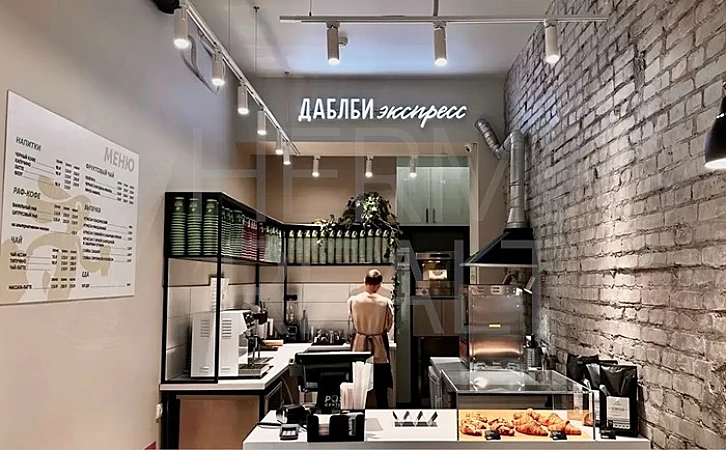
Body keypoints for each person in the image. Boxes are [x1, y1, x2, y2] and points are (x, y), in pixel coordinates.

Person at [347, 269, 394, 409]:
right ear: (379, 285)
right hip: (379, 350)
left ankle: (357, 415)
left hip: (359, 348)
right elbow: (388, 325)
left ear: (364, 281)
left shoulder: (353, 300)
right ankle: (383, 415)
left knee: (358, 388)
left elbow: (352, 320)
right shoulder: (385, 302)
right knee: (381, 390)